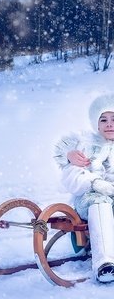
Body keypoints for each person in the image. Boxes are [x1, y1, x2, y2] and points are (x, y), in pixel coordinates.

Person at [54, 94, 114, 283]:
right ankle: (104, 263)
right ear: (96, 123)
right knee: (100, 201)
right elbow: (70, 177)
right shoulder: (86, 146)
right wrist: (95, 183)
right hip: (90, 199)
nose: (109, 124)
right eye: (103, 119)